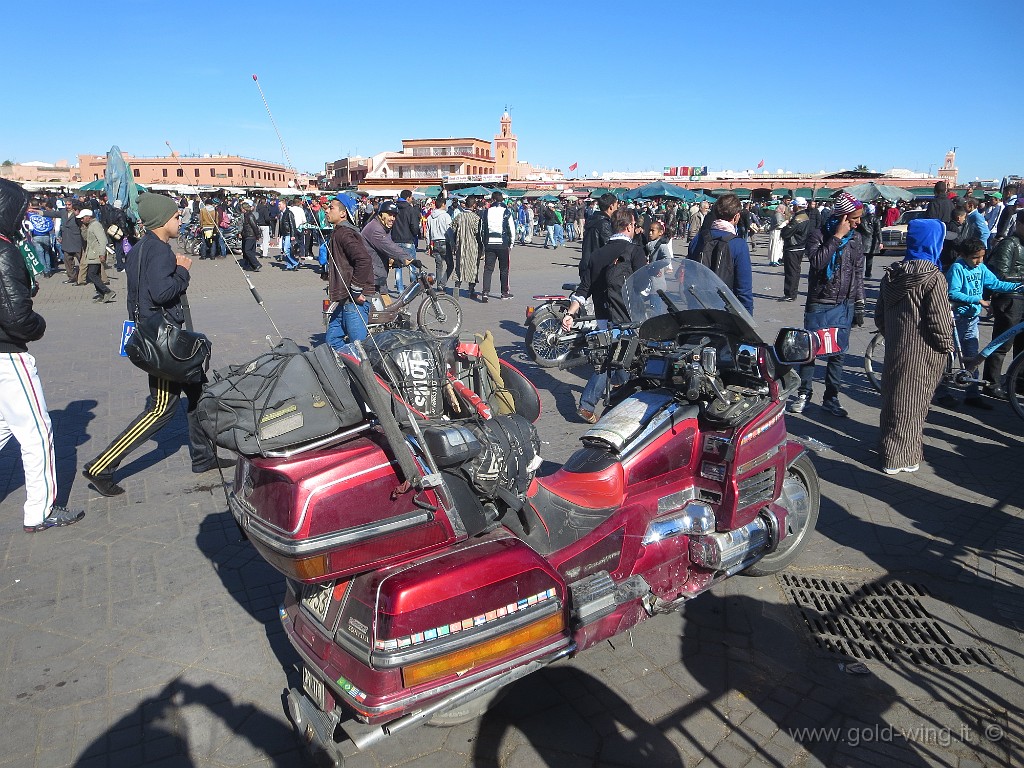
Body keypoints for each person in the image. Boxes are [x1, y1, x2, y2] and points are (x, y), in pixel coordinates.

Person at [82, 194, 232, 497]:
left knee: (196, 394)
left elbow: (137, 295)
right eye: (176, 217)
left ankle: (203, 457)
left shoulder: (140, 248)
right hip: (164, 341)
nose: (180, 221)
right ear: (163, 221)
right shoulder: (161, 251)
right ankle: (101, 466)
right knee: (161, 409)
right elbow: (164, 292)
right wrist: (183, 270)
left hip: (152, 334)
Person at [0, 179, 85, 532]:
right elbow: (17, 316)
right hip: (8, 355)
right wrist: (38, 324)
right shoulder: (4, 250)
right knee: (37, 431)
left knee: (3, 426)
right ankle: (40, 510)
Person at [875, 219, 954, 474]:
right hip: (924, 351)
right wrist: (946, 346)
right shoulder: (933, 278)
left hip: (896, 348)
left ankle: (890, 450)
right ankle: (901, 458)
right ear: (935, 242)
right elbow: (939, 321)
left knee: (893, 400)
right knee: (914, 404)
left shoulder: (892, 274)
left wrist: (894, 334)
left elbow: (879, 316)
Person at [561, 209, 647, 423]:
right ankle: (588, 404)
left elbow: (584, 289)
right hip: (627, 318)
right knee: (613, 360)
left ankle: (620, 391)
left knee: (617, 358)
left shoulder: (597, 255)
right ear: (629, 226)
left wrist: (570, 313)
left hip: (602, 318)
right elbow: (644, 287)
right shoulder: (635, 251)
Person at [789, 191, 866, 417]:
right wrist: (836, 238)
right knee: (811, 349)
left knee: (838, 353)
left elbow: (858, 273)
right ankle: (804, 393)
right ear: (843, 217)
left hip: (845, 303)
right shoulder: (818, 235)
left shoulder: (856, 239)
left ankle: (831, 397)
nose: (858, 223)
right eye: (854, 219)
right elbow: (818, 262)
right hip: (820, 301)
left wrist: (859, 302)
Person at [944, 237, 1024, 409]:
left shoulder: (981, 268)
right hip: (957, 318)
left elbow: (995, 283)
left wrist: (1018, 287)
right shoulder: (957, 268)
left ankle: (972, 395)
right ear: (963, 255)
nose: (979, 261)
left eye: (981, 257)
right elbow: (952, 293)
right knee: (948, 356)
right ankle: (942, 392)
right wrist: (977, 300)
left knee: (972, 358)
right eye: (975, 257)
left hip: (972, 319)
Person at [686, 193, 754, 314]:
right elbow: (744, 290)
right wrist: (747, 318)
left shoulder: (698, 239)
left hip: (697, 307)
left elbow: (688, 276)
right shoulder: (738, 244)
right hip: (725, 312)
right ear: (736, 217)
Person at [323, 198, 375, 350]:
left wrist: (356, 289)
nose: (326, 210)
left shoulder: (344, 233)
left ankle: (363, 373)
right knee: (332, 343)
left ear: (342, 213)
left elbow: (364, 260)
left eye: (331, 208)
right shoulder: (339, 232)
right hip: (344, 298)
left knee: (359, 348)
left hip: (354, 300)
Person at [982, 215, 1024, 397]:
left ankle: (1018, 382)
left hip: (1021, 298)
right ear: (1020, 225)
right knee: (1002, 343)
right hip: (1010, 299)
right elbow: (999, 274)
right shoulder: (1010, 244)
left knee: (1022, 345)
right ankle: (991, 383)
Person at [361, 200, 420, 296]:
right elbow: (389, 246)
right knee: (373, 308)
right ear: (381, 214)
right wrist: (408, 259)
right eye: (389, 214)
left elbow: (381, 249)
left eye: (394, 216)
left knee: (387, 308)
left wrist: (393, 261)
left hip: (378, 275)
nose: (392, 218)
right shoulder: (376, 229)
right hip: (370, 278)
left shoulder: (383, 227)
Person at [481, 191, 516, 300]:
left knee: (488, 269)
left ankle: (485, 292)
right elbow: (512, 229)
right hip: (502, 244)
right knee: (504, 269)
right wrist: (511, 244)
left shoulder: (486, 212)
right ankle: (504, 292)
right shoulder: (506, 212)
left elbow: (482, 230)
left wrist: (484, 243)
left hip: (489, 244)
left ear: (493, 200)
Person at [78, 209, 116, 303]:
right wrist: (83, 228)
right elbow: (86, 238)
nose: (81, 220)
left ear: (88, 217)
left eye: (83, 218)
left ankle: (107, 291)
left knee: (91, 274)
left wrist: (102, 254)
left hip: (96, 254)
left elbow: (103, 240)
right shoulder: (90, 225)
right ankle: (102, 294)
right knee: (96, 274)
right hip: (92, 254)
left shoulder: (96, 225)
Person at [452, 197, 485, 300]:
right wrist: (481, 248)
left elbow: (453, 230)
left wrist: (454, 243)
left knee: (459, 267)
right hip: (473, 247)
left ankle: (457, 288)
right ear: (474, 205)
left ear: (465, 204)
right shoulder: (476, 218)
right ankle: (471, 290)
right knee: (473, 268)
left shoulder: (459, 216)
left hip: (461, 246)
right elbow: (479, 235)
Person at [780, 197, 812, 301]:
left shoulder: (798, 219)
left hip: (793, 246)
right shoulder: (805, 216)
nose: (792, 207)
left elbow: (785, 233)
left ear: (797, 206)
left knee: (791, 272)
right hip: (800, 246)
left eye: (793, 205)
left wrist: (785, 227)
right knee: (796, 271)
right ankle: (792, 292)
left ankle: (790, 294)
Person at [581, 193, 617, 278]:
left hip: (587, 264)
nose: (617, 208)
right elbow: (609, 247)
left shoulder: (593, 219)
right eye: (616, 205)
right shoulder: (604, 223)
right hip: (596, 268)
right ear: (611, 206)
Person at [390, 190, 420, 291]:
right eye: (411, 197)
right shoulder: (410, 209)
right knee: (411, 264)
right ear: (408, 198)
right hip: (408, 240)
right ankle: (413, 288)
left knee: (398, 266)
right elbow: (414, 226)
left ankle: (400, 289)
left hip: (395, 240)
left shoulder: (394, 208)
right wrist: (415, 234)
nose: (412, 199)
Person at [426, 196, 454, 292]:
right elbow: (449, 231)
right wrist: (453, 243)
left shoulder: (430, 217)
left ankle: (439, 285)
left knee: (439, 266)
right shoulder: (446, 216)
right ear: (443, 204)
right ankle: (442, 283)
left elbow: (427, 232)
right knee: (450, 265)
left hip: (434, 243)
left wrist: (428, 244)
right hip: (444, 242)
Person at [858, 202, 881, 279]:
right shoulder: (876, 219)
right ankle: (868, 273)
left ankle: (859, 273)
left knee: (861, 258)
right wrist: (880, 241)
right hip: (873, 241)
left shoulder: (862, 219)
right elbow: (878, 231)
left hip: (863, 240)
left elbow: (858, 230)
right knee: (870, 259)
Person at [238, 200, 261, 271]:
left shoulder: (250, 215)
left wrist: (257, 236)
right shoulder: (245, 215)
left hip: (250, 235)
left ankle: (257, 264)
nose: (241, 209)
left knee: (247, 250)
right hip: (246, 234)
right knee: (248, 251)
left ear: (244, 209)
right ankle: (251, 265)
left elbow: (254, 226)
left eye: (242, 208)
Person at [277, 199, 299, 270]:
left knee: (286, 250)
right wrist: (279, 235)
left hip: (289, 233)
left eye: (280, 204)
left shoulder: (289, 213)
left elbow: (292, 225)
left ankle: (295, 263)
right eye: (278, 204)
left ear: (284, 205)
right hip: (284, 233)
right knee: (285, 249)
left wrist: (293, 235)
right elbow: (280, 225)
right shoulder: (281, 213)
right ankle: (289, 265)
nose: (278, 206)